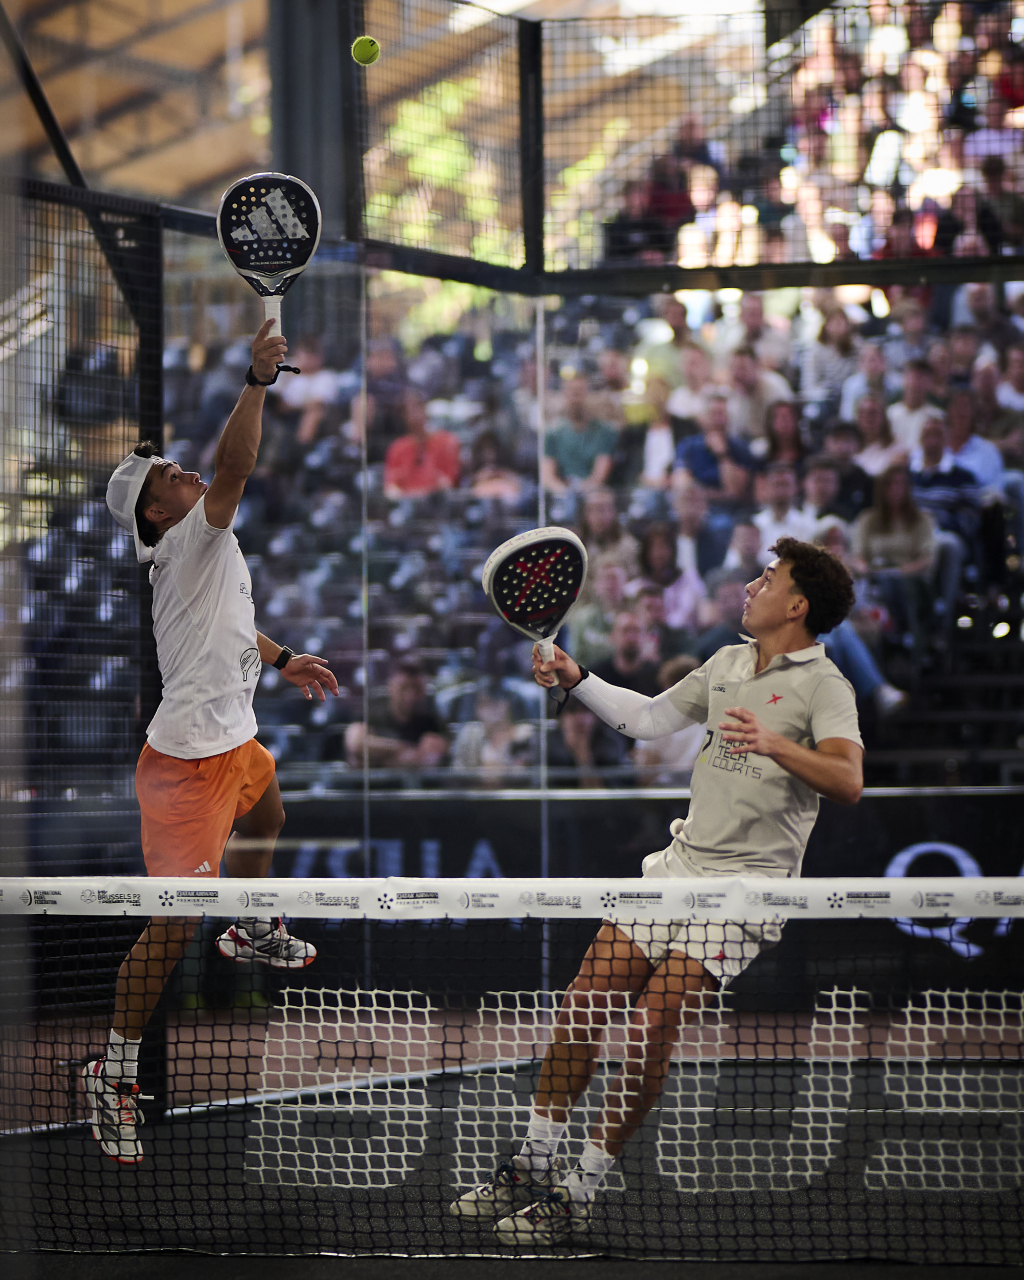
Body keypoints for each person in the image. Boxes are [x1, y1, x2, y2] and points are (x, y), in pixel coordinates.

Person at [449, 538, 862, 1244]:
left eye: (769, 578)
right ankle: (531, 1166)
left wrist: (778, 744)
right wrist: (577, 677)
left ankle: (576, 1194)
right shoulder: (727, 662)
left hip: (745, 894)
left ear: (797, 606)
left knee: (647, 1029)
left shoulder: (826, 685)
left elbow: (848, 780)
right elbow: (644, 722)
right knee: (582, 1005)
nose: (753, 584)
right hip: (678, 868)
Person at [94, 321, 338, 1163]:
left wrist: (281, 656)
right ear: (158, 511)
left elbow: (237, 620)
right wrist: (257, 379)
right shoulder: (190, 535)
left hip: (236, 744)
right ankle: (114, 1072)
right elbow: (236, 466)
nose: (188, 471)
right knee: (167, 931)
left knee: (269, 816)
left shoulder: (205, 548)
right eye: (172, 475)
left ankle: (248, 926)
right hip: (185, 769)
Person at [851, 466, 937, 648]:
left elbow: (927, 559)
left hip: (911, 579)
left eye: (900, 484)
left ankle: (901, 635)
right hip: (874, 577)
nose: (895, 489)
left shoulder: (922, 520)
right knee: (880, 585)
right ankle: (898, 637)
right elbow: (857, 557)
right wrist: (867, 569)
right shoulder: (867, 520)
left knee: (893, 584)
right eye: (889, 484)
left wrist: (897, 572)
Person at [344, 657, 448, 771]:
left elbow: (427, 760)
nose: (410, 696)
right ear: (391, 687)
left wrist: (377, 756)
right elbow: (356, 744)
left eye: (416, 688)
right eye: (404, 688)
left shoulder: (431, 722)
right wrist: (402, 749)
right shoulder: (371, 714)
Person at [675, 390, 755, 509]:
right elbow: (681, 484)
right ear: (702, 417)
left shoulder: (740, 447)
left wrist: (723, 455)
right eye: (713, 413)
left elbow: (733, 493)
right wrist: (710, 494)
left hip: (728, 511)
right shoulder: (688, 445)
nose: (717, 420)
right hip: (695, 507)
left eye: (721, 413)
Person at [543, 378, 618, 496]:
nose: (575, 399)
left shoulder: (605, 432)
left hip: (593, 495)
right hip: (563, 494)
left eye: (580, 393)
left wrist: (583, 491)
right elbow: (547, 476)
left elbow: (599, 476)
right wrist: (565, 493)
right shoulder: (553, 433)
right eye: (571, 393)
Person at [382, 389, 460, 498]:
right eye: (407, 409)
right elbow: (391, 487)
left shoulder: (446, 441)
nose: (413, 412)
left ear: (425, 408)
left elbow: (448, 482)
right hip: (407, 505)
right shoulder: (397, 447)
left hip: (436, 503)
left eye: (417, 406)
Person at [724, 347, 794, 443]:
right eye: (734, 368)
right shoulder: (738, 392)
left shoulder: (773, 388)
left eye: (742, 368)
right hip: (750, 442)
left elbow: (784, 428)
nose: (737, 373)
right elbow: (735, 430)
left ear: (756, 367)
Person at [752, 464, 818, 562]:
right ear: (767, 487)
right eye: (776, 485)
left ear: (795, 488)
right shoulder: (755, 524)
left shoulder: (809, 524)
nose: (781, 491)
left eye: (785, 485)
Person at [692, 567, 751, 661]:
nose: (733, 604)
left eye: (737, 596)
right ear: (716, 604)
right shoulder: (707, 646)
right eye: (725, 599)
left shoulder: (771, 636)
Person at [838, 340, 901, 426]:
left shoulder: (897, 384)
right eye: (865, 360)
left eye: (874, 360)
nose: (871, 366)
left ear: (883, 361)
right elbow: (847, 418)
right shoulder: (851, 385)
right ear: (860, 364)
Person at [854, 391, 909, 476]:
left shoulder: (897, 447)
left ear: (883, 417)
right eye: (863, 413)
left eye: (873, 413)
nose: (868, 418)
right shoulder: (851, 447)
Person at [886, 359, 935, 452]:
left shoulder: (936, 417)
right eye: (911, 377)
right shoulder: (889, 414)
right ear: (903, 380)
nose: (915, 383)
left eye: (920, 378)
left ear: (929, 383)